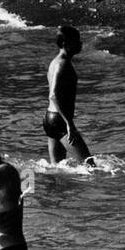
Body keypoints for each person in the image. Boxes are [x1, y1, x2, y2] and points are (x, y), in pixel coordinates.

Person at [46, 25, 94, 166]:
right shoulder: (62, 64)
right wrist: (69, 124)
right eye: (77, 40)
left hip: (50, 119)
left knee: (57, 167)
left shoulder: (54, 62)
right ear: (66, 43)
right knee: (89, 165)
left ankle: (58, 188)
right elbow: (53, 95)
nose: (80, 43)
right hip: (59, 121)